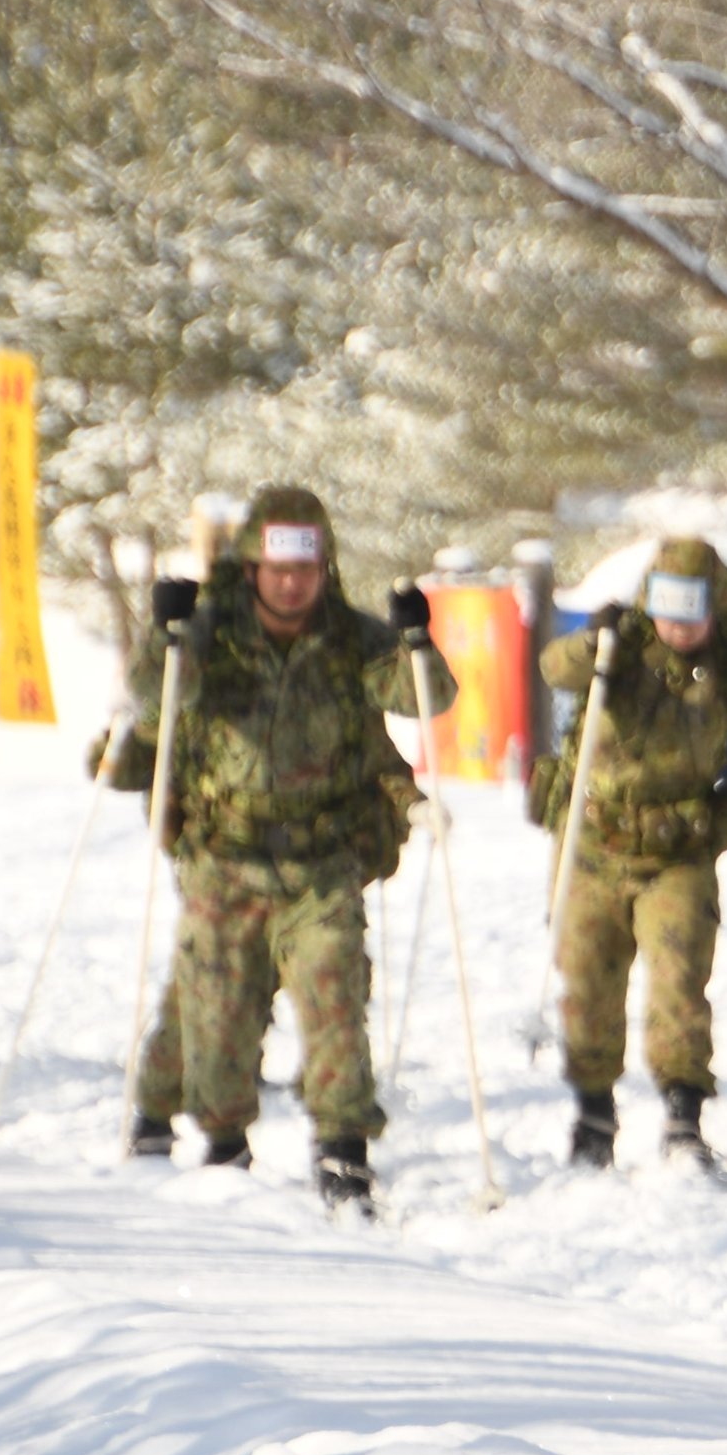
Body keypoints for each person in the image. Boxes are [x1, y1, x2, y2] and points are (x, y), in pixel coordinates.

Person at [103, 485, 451, 1205]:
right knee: (217, 1010)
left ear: (325, 567)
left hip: (320, 862)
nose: (292, 582)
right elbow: (153, 692)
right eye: (277, 567)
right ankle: (219, 1138)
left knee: (335, 992)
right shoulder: (212, 631)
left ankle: (343, 1145)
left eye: (307, 567)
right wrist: (164, 634)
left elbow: (427, 697)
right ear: (253, 567)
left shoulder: (350, 637)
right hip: (224, 859)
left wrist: (417, 639)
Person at [537, 538, 727, 1177]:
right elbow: (557, 669)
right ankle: (594, 1115)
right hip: (596, 845)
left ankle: (683, 1118)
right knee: (588, 978)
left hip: (678, 852)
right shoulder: (620, 649)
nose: (679, 624)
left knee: (679, 979)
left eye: (694, 609)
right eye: (668, 606)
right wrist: (592, 641)